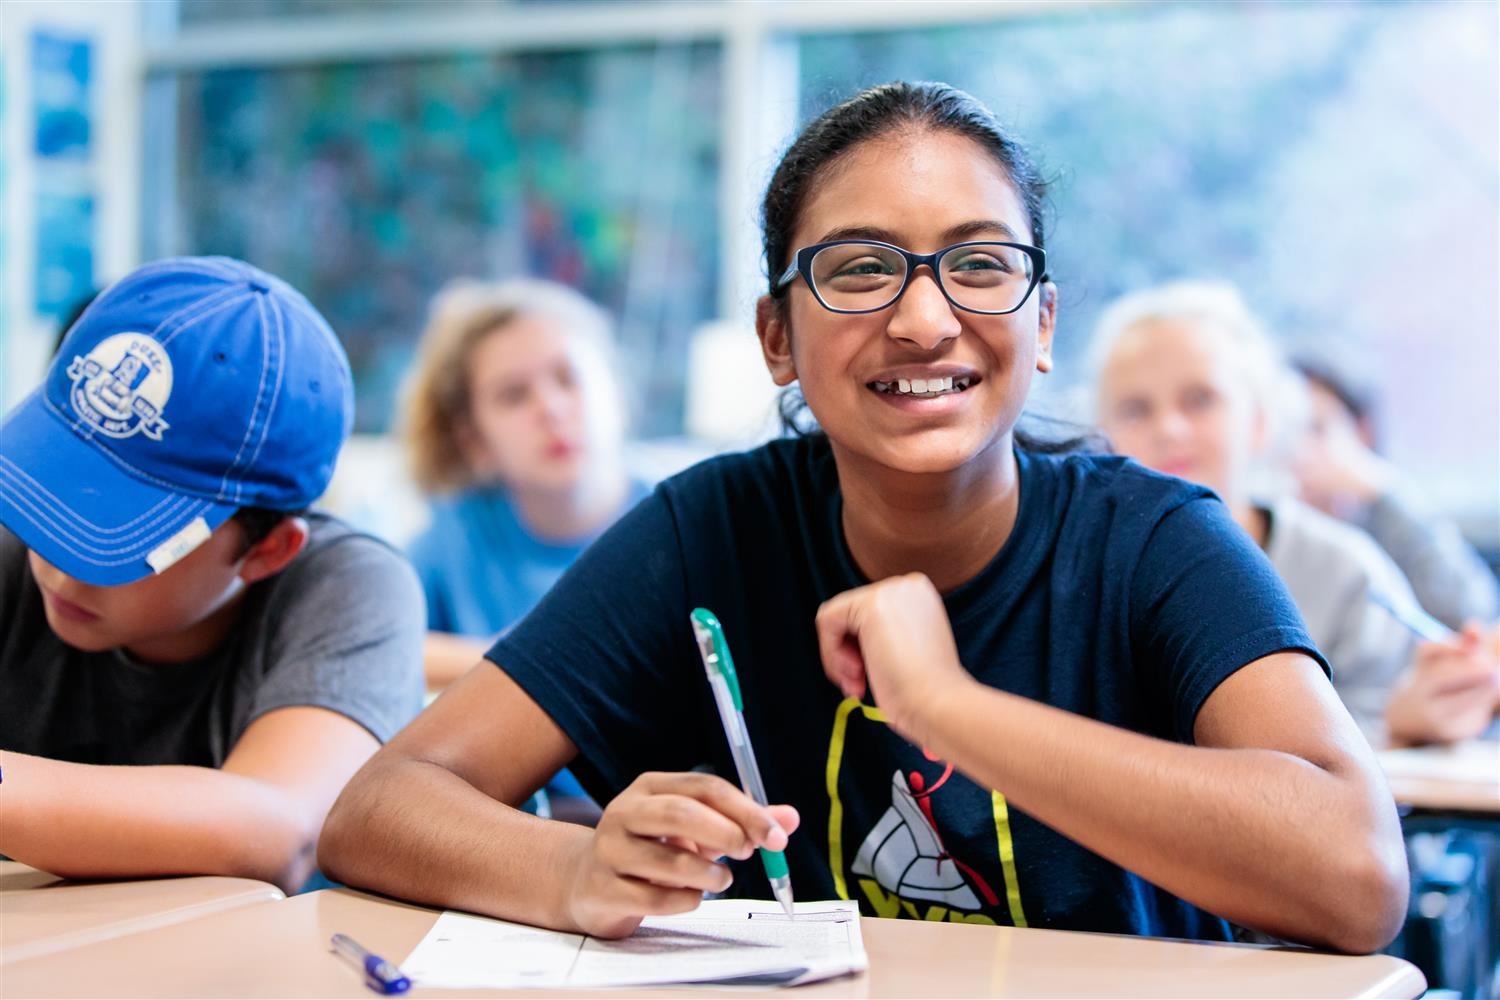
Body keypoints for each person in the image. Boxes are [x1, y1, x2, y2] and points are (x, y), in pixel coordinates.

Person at [320, 82, 1407, 952]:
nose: (926, 319)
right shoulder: (713, 528)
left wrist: (948, 707)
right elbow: (379, 807)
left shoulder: (1156, 540)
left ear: (1042, 323)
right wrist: (576, 867)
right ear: (777, 336)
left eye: (981, 265)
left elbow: (1359, 875)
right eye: (860, 270)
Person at [0, 256, 425, 892]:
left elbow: (278, 828)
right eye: (53, 488)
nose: (57, 566)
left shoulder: (348, 586)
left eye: (114, 531)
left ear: (269, 550)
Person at [1089, 281, 1500, 747]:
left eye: (1200, 399)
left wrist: (1403, 724)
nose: (1169, 428)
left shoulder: (1347, 572)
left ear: (1261, 422)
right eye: (1135, 409)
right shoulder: (1080, 581)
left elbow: (1378, 745)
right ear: (1100, 439)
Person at [400, 280, 644, 823]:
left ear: (614, 392)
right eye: (513, 395)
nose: (552, 409)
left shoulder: (680, 523)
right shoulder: (456, 535)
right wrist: (528, 673)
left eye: (568, 378)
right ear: (473, 440)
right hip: (509, 818)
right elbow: (376, 649)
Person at [1291, 355, 1499, 631]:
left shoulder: (1386, 519)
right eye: (1287, 431)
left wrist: (1385, 492)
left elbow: (1470, 613)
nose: (1299, 451)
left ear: (1362, 431)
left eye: (1317, 429)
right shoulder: (1270, 529)